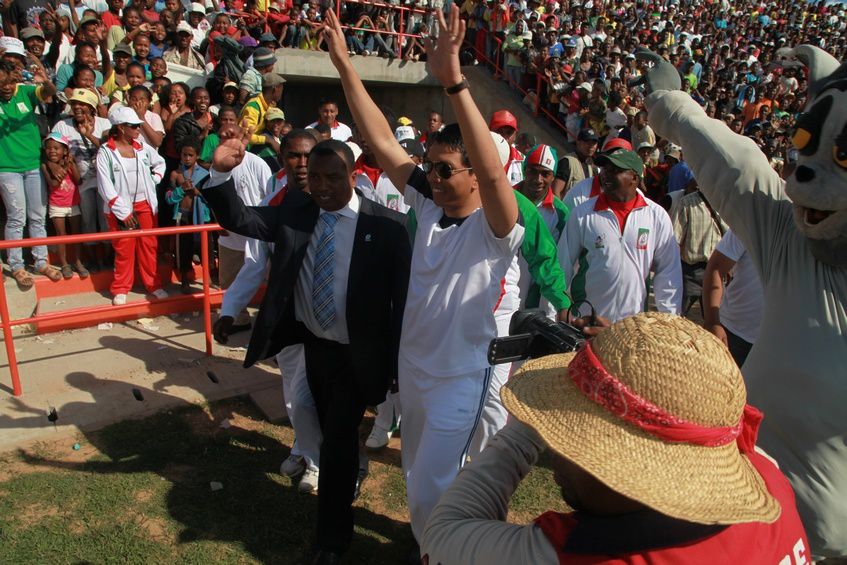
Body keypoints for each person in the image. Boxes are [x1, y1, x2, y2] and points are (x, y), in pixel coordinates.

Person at [324, 7, 524, 556]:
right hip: (416, 370)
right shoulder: (431, 208)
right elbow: (383, 141)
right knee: (420, 481)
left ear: (472, 176)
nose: (429, 176)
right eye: (428, 166)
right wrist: (345, 67)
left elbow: (492, 173)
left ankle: (443, 551)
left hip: (463, 376)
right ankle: (434, 545)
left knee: (440, 485)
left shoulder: (496, 227)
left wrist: (455, 83)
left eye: (443, 169)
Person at [421, 313, 811, 565]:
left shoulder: (583, 554)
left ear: (625, 467)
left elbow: (442, 535)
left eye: (577, 431)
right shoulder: (768, 478)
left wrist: (528, 425)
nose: (559, 445)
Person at [202, 129, 411, 564]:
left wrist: (395, 364)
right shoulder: (298, 210)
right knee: (324, 428)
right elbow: (242, 221)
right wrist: (219, 175)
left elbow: (401, 302)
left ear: (353, 175)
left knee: (336, 437)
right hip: (316, 349)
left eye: (333, 177)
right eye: (315, 177)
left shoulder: (385, 227)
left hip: (359, 355)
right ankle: (344, 477)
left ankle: (331, 541)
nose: (322, 186)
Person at [213, 129, 323, 493]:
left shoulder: (341, 198)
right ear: (283, 159)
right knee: (293, 391)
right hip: (288, 319)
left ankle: (322, 463)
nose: (302, 164)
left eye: (310, 156)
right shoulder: (275, 202)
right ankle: (303, 446)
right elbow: (255, 263)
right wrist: (230, 308)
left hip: (330, 319)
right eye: (294, 156)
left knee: (317, 393)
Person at [558, 149, 682, 321]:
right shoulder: (583, 213)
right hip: (588, 320)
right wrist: (557, 308)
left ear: (635, 178)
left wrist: (669, 319)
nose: (606, 175)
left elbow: (668, 272)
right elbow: (562, 265)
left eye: (615, 170)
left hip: (633, 326)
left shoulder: (656, 217)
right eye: (605, 170)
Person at [95, 106, 168, 305]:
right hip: (121, 209)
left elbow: (160, 163)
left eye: (138, 125)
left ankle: (153, 284)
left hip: (145, 204)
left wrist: (154, 179)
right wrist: (122, 212)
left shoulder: (143, 147)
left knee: (149, 246)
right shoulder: (106, 152)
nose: (138, 129)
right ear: (120, 128)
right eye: (133, 126)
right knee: (124, 249)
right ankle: (120, 287)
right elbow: (105, 185)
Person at [0, 59, 62, 287]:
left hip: (33, 166)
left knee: (37, 215)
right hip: (7, 169)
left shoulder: (24, 91)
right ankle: (16, 265)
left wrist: (45, 79)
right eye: (1, 83)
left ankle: (41, 261)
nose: (5, 87)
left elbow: (49, 91)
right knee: (17, 217)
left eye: (8, 82)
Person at [52, 88, 111, 271]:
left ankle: (108, 258)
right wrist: (54, 165)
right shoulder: (63, 126)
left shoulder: (105, 124)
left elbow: (111, 150)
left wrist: (88, 135)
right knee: (87, 221)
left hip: (104, 182)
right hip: (81, 184)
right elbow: (51, 149)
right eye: (74, 104)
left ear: (92, 107)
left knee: (105, 221)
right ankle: (92, 259)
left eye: (82, 105)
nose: (77, 108)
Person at [702, 228, 764, 367]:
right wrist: (712, 322)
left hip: (785, 341)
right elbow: (715, 268)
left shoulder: (819, 230)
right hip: (735, 335)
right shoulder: (751, 221)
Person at [671, 176, 727, 316]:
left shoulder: (726, 205)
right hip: (690, 272)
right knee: (678, 318)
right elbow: (675, 240)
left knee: (716, 319)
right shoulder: (686, 203)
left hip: (717, 271)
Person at [165, 140, 210, 293]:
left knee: (204, 248)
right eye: (185, 155)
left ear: (197, 156)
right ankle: (184, 280)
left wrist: (198, 193)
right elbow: (168, 198)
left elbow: (212, 199)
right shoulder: (175, 174)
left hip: (201, 217)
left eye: (191, 155)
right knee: (183, 249)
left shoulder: (205, 175)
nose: (187, 158)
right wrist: (181, 190)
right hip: (182, 216)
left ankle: (207, 278)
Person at [41, 132, 86, 279]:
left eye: (56, 148)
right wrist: (65, 167)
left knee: (76, 234)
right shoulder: (45, 166)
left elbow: (79, 181)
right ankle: (64, 263)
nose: (52, 151)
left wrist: (71, 166)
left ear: (65, 151)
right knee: (61, 235)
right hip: (57, 204)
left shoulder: (70, 163)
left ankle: (78, 261)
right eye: (49, 148)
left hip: (73, 203)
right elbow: (53, 184)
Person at [240, 73, 285, 152]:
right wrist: (268, 140)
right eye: (281, 90)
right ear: (275, 89)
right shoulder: (253, 107)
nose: (281, 93)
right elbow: (244, 135)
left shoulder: (269, 106)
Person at [551, 127, 598, 198]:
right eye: (587, 142)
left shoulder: (590, 166)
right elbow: (555, 191)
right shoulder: (567, 162)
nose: (591, 146)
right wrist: (560, 209)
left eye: (593, 143)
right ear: (578, 142)